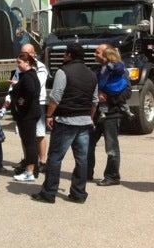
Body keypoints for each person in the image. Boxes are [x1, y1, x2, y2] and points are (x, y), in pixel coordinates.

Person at [32, 42, 98, 204]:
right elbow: (95, 101)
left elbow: (56, 96)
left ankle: (49, 192)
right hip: (84, 122)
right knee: (82, 159)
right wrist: (89, 117)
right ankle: (78, 193)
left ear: (69, 55)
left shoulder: (63, 71)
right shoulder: (92, 74)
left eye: (65, 53)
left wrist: (48, 115)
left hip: (65, 120)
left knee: (55, 157)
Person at [88, 45, 131, 186]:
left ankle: (113, 176)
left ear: (107, 55)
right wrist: (97, 94)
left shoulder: (120, 71)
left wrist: (108, 98)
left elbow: (127, 93)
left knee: (111, 147)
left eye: (97, 52)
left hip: (112, 115)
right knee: (88, 144)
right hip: (95, 114)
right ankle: (87, 172)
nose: (95, 54)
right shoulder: (97, 70)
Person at [5, 43, 48, 176]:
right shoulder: (20, 68)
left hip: (36, 103)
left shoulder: (39, 67)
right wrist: (8, 98)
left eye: (27, 53)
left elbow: (34, 87)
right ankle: (29, 160)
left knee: (38, 134)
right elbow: (14, 84)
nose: (24, 55)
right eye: (22, 52)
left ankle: (42, 161)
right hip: (21, 105)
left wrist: (18, 86)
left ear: (33, 54)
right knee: (25, 136)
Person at [10, 52, 41, 182]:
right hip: (29, 114)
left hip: (28, 114)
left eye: (20, 62)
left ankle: (30, 172)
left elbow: (30, 91)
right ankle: (31, 171)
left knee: (30, 144)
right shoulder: (28, 75)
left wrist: (22, 101)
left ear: (27, 63)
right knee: (30, 143)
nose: (18, 65)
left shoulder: (28, 76)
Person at [97, 47, 134, 121]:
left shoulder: (105, 67)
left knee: (104, 102)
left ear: (107, 57)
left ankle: (102, 113)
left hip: (109, 89)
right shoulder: (121, 64)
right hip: (121, 87)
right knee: (122, 102)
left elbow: (103, 79)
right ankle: (128, 111)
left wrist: (100, 88)